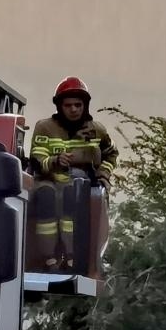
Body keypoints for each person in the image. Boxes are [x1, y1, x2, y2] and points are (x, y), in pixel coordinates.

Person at [28, 77, 118, 271]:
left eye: (78, 105)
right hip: (49, 179)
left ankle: (72, 256)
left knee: (73, 196)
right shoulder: (44, 127)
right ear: (60, 106)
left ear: (85, 105)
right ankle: (48, 257)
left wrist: (103, 175)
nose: (74, 109)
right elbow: (36, 159)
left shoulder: (97, 130)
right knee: (45, 195)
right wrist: (55, 161)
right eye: (68, 105)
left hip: (80, 183)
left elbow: (111, 154)